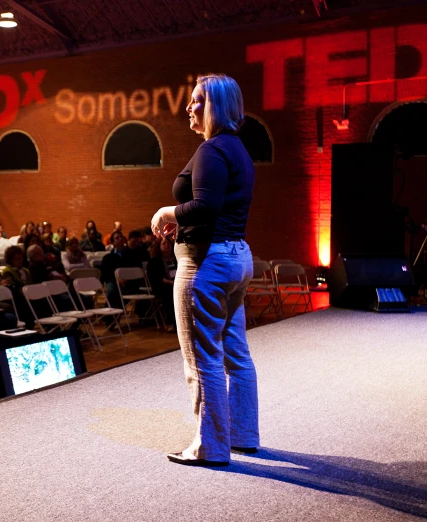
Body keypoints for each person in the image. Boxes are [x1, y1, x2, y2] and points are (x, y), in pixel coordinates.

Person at [150, 74, 257, 466]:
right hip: (236, 255)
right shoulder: (238, 149)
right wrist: (186, 221)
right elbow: (218, 208)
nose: (189, 107)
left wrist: (167, 211)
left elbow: (206, 206)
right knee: (236, 353)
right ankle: (243, 435)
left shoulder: (212, 150)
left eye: (196, 100)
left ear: (215, 105)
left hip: (205, 263)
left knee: (202, 357)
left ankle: (210, 446)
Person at [147, 238, 177, 331]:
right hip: (162, 286)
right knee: (170, 294)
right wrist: (172, 283)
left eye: (168, 243)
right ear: (159, 247)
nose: (167, 245)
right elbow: (157, 278)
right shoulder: (154, 261)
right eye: (164, 243)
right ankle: (173, 322)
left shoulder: (177, 259)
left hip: (176, 284)